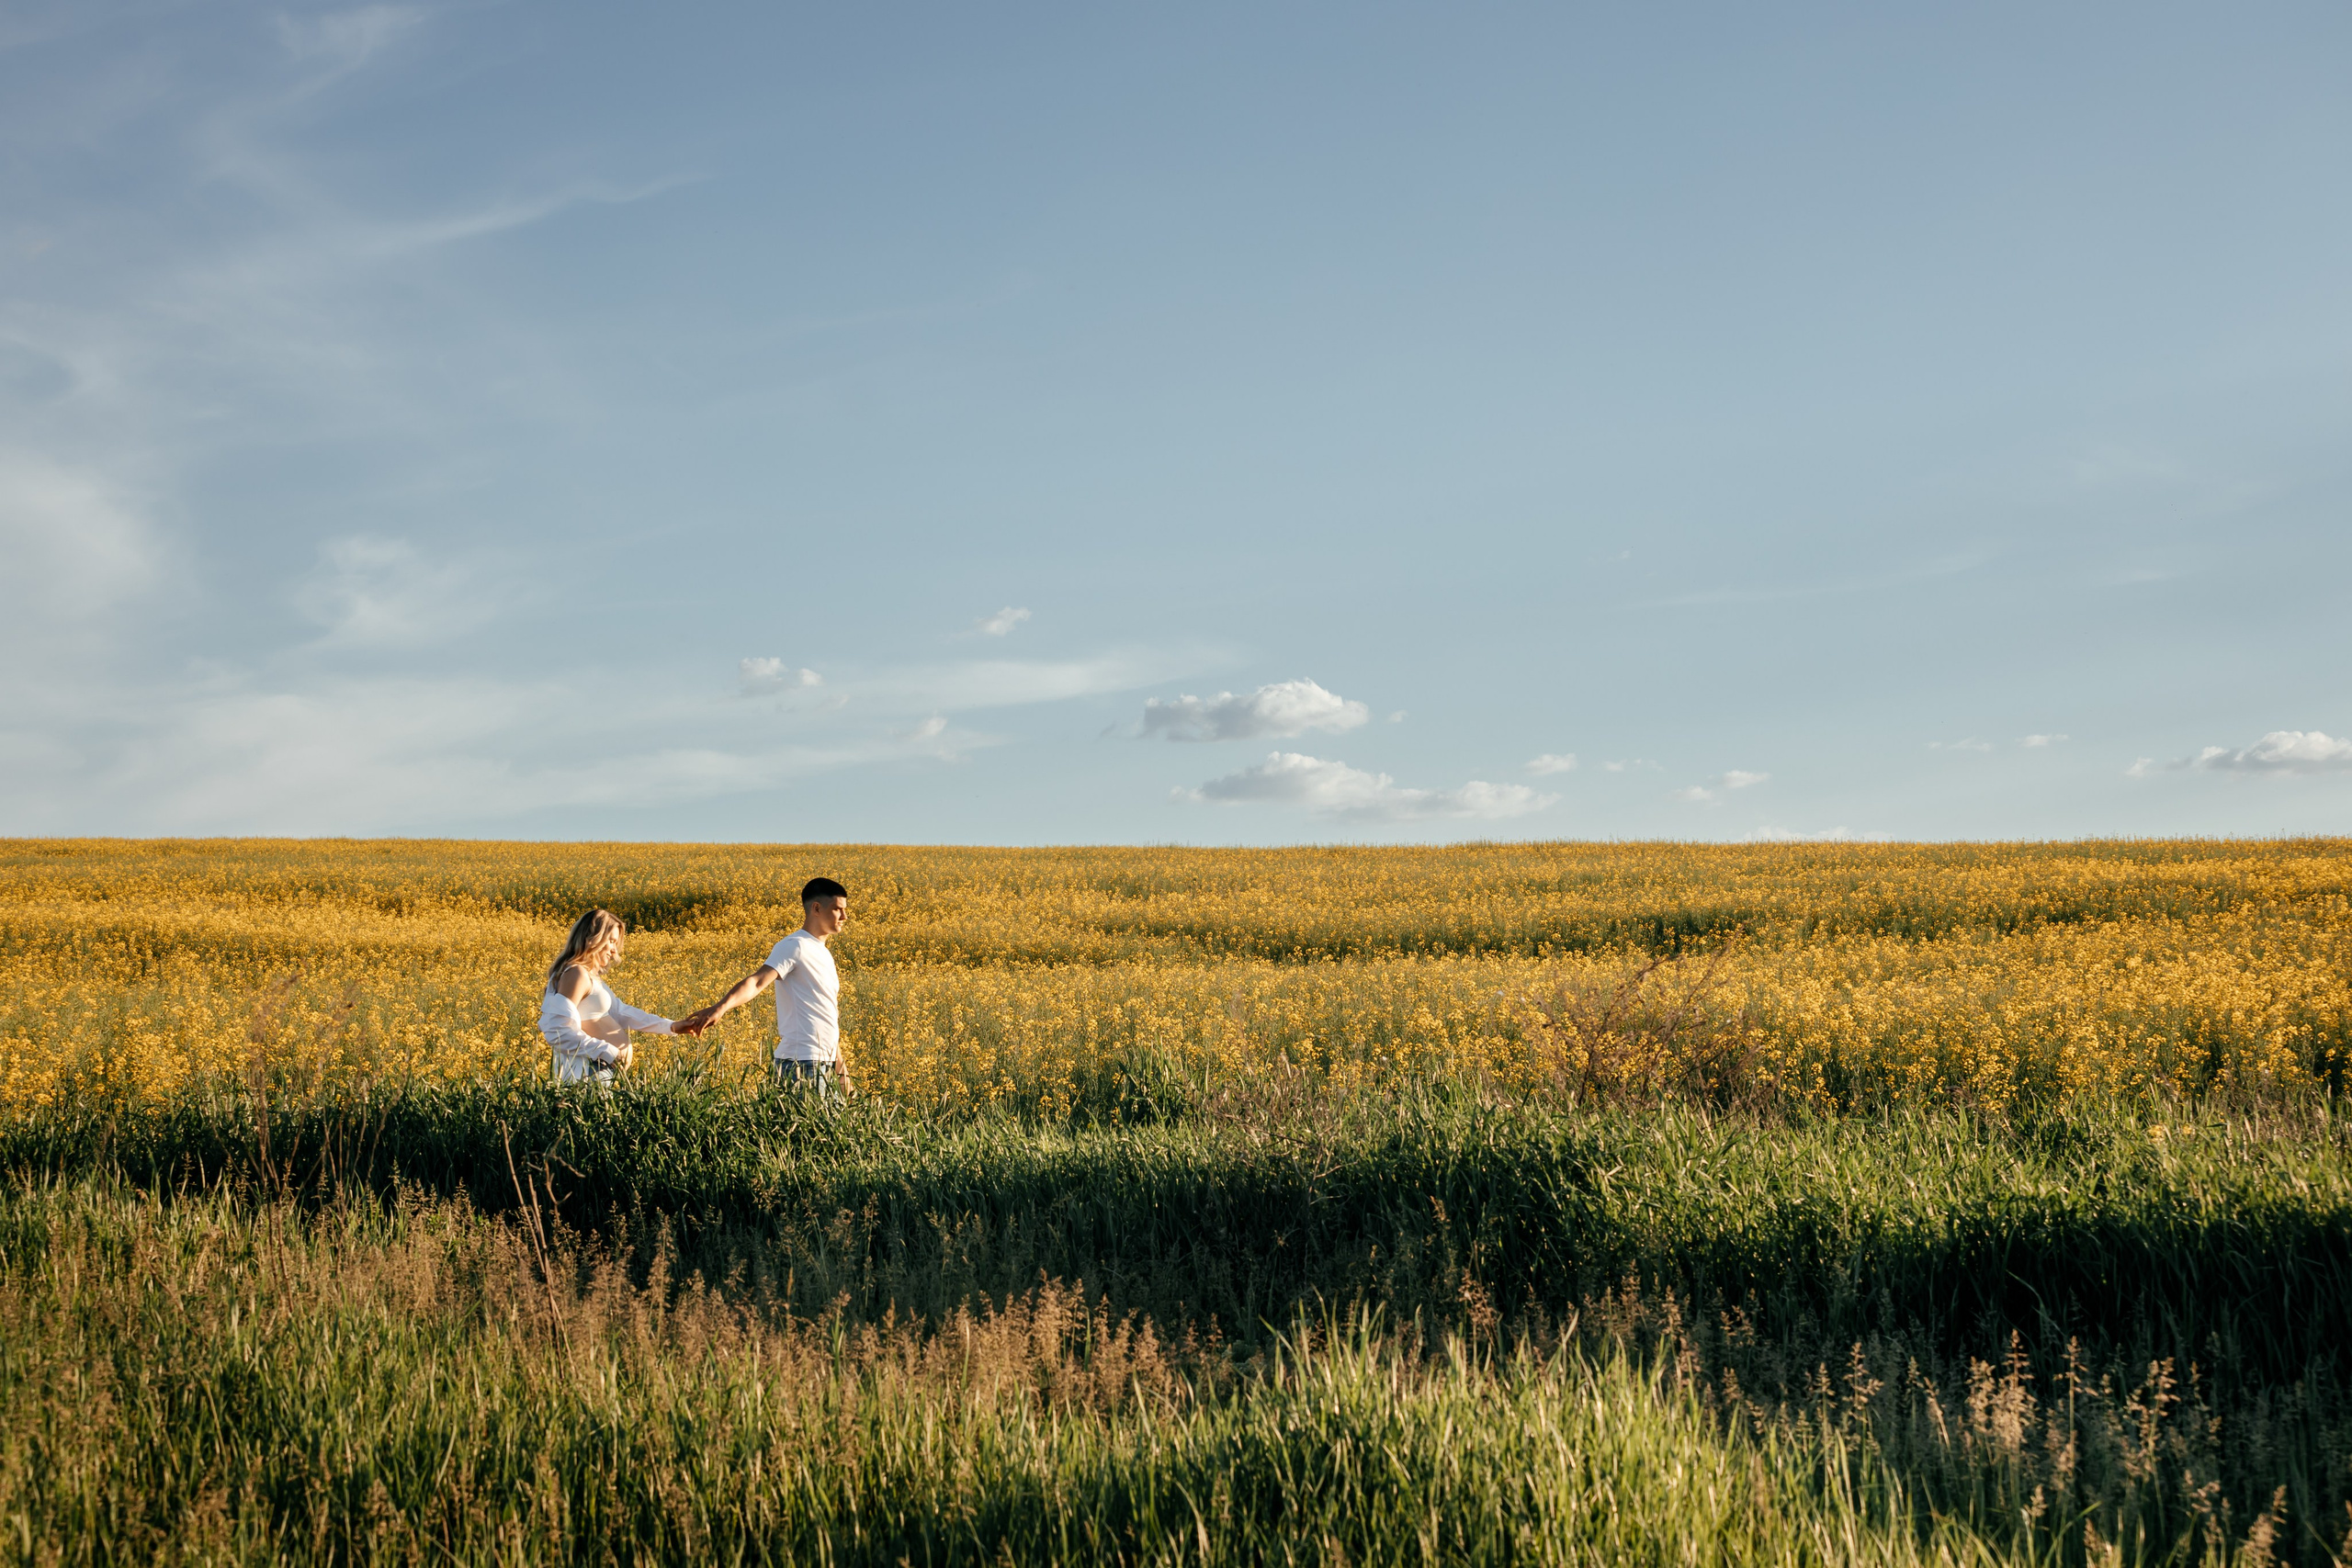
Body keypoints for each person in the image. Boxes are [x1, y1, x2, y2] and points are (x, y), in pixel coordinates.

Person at [677, 876, 852, 1098]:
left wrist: (843, 1076)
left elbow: (823, 1019)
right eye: (838, 909)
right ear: (816, 908)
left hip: (823, 1065)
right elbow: (757, 981)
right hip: (802, 1066)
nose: (844, 917)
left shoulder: (823, 954)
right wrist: (720, 1007)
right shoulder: (794, 946)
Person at [537, 908, 679, 1086]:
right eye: (611, 941)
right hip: (588, 1070)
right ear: (592, 939)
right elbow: (557, 1030)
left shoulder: (588, 976)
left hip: (598, 1068)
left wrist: (672, 1026)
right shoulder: (576, 974)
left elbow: (620, 1012)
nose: (614, 950)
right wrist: (609, 1052)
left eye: (616, 942)